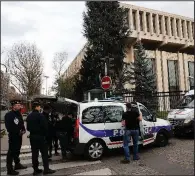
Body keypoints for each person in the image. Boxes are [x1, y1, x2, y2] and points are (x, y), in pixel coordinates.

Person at [26, 102, 55, 175]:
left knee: (34, 154)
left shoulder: (29, 116)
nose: (40, 108)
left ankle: (35, 170)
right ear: (36, 107)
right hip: (41, 137)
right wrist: (44, 135)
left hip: (32, 137)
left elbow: (28, 128)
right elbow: (45, 127)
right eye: (39, 106)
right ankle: (46, 169)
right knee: (44, 153)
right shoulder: (40, 116)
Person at [5, 100, 27, 175]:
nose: (19, 106)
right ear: (13, 106)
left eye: (19, 105)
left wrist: (23, 129)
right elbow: (9, 127)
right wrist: (18, 132)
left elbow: (21, 123)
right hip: (13, 136)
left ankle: (17, 164)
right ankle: (9, 169)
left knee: (17, 150)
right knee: (11, 152)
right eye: (17, 105)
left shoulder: (18, 114)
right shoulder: (9, 115)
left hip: (19, 136)